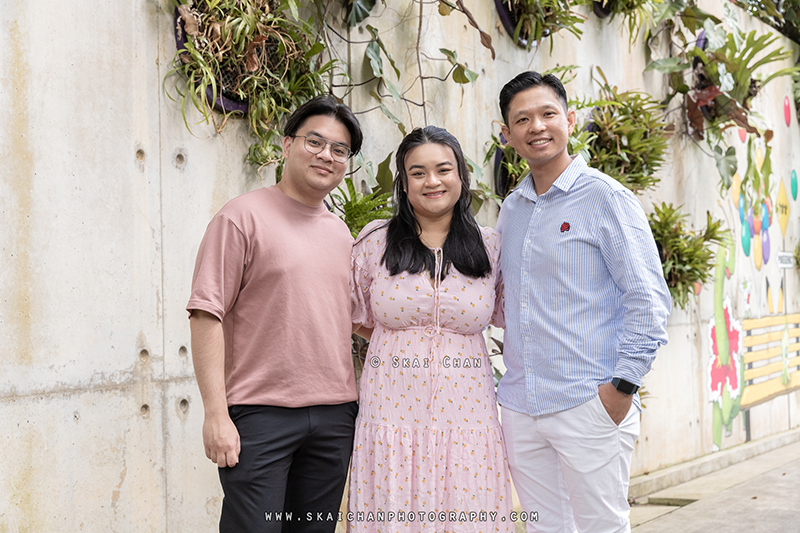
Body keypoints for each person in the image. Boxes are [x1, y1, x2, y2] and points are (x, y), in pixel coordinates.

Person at [495, 71, 671, 533]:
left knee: (601, 528)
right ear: (507, 134)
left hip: (587, 403)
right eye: (523, 119)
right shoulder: (510, 209)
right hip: (520, 405)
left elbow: (649, 301)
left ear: (570, 120)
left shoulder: (606, 198)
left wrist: (621, 390)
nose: (537, 126)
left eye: (548, 114)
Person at [187, 94, 363, 533]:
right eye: (315, 142)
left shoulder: (341, 233)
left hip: (334, 415)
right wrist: (216, 413)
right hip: (259, 415)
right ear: (286, 145)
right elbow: (205, 314)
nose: (327, 155)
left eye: (340, 150)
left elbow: (351, 320)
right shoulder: (240, 217)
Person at [348, 126, 514, 533]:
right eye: (417, 172)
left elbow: (511, 314)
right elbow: (353, 315)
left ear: (461, 176)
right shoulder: (375, 242)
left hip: (468, 418)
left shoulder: (491, 246)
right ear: (403, 184)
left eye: (444, 169)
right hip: (390, 416)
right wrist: (403, 345)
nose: (432, 181)